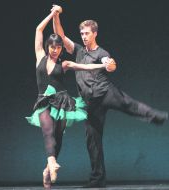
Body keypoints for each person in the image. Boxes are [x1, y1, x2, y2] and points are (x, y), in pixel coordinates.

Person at [52, 5, 168, 188]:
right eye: (82, 33)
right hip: (91, 104)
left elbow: (110, 64)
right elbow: (60, 35)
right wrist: (55, 15)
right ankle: (98, 179)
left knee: (130, 105)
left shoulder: (101, 53)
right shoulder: (79, 51)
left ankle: (158, 117)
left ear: (94, 34)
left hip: (107, 93)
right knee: (92, 141)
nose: (83, 36)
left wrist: (110, 64)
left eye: (87, 33)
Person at [25, 8, 111, 190]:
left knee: (58, 137)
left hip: (62, 102)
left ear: (61, 49)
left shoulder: (63, 64)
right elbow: (39, 30)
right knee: (47, 130)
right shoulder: (39, 55)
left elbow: (83, 67)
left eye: (58, 48)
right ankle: (52, 162)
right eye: (52, 47)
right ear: (47, 47)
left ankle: (47, 170)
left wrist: (103, 64)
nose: (55, 50)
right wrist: (52, 14)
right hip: (44, 101)